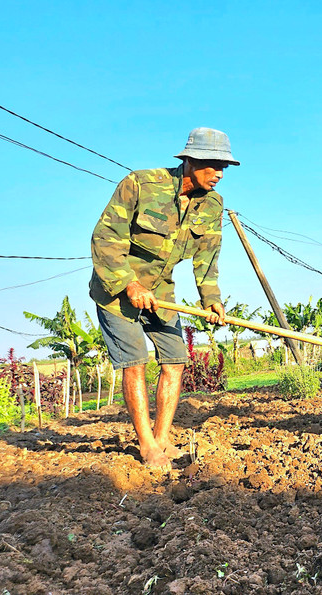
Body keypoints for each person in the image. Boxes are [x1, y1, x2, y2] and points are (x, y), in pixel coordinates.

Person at [89, 127, 239, 471]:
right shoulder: (141, 184)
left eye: (223, 168)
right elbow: (105, 237)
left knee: (175, 360)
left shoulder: (212, 204)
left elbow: (208, 256)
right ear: (190, 160)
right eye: (213, 165)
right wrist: (129, 284)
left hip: (161, 294)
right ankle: (146, 445)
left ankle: (163, 437)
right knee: (135, 362)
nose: (219, 174)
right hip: (115, 292)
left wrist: (210, 298)